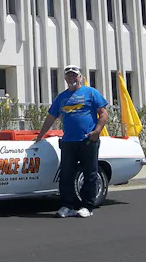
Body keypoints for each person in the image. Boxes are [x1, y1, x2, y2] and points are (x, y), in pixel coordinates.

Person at [34, 64, 109, 218]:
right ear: (65, 78)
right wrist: (40, 135)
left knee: (90, 174)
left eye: (74, 75)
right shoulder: (61, 97)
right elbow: (51, 117)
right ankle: (66, 206)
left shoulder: (90, 93)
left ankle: (87, 206)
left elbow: (103, 113)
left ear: (79, 77)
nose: (71, 78)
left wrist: (97, 131)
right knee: (66, 174)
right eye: (68, 75)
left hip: (88, 141)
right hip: (68, 142)